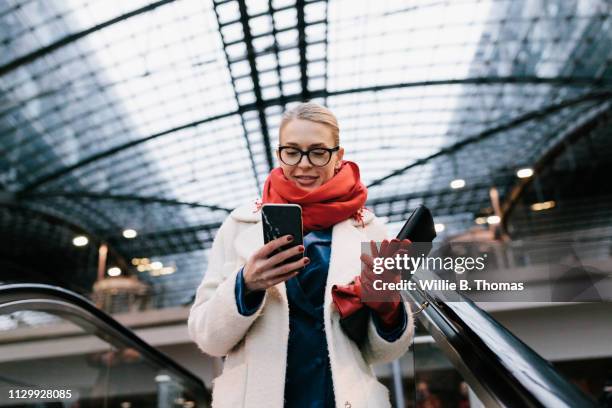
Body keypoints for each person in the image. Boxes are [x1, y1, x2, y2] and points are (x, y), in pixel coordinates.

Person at [188, 102, 414, 408]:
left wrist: (389, 310)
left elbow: (385, 353)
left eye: (318, 151)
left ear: (338, 157)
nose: (304, 164)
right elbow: (207, 336)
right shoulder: (240, 225)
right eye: (292, 151)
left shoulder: (371, 230)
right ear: (279, 153)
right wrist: (246, 285)